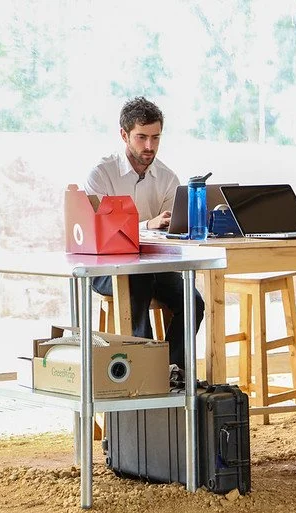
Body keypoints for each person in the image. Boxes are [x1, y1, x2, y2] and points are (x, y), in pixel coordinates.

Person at [84, 96, 204, 369]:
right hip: (108, 267)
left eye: (156, 137)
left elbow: (170, 234)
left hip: (153, 264)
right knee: (138, 281)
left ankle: (168, 371)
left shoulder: (167, 178)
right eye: (141, 137)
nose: (150, 146)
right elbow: (102, 231)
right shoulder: (102, 174)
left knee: (193, 302)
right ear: (124, 134)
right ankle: (144, 369)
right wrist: (146, 225)